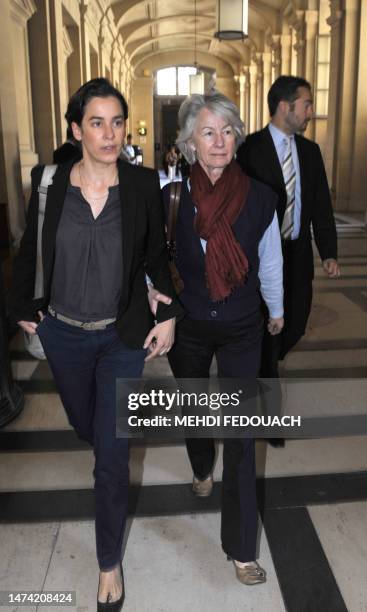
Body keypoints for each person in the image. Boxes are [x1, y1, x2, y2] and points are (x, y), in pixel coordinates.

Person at [10, 78, 182, 611]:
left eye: (117, 122)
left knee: (111, 456)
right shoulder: (47, 182)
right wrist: (22, 307)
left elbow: (157, 256)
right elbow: (27, 252)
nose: (110, 134)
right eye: (97, 122)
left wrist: (169, 310)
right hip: (62, 334)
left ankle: (108, 563)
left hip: (121, 337)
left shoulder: (141, 184)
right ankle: (100, 434)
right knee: (87, 426)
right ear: (76, 129)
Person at [161, 92, 284, 585]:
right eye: (208, 132)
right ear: (190, 141)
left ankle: (240, 548)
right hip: (187, 321)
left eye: (228, 130)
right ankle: (198, 462)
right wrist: (157, 302)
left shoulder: (259, 196)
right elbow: (154, 258)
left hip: (240, 324)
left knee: (240, 433)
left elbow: (270, 259)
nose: (219, 141)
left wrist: (275, 308)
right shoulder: (171, 194)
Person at [236, 76, 340, 446]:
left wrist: (328, 250)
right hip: (261, 258)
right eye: (306, 104)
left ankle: (266, 365)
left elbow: (321, 206)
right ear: (285, 106)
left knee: (294, 324)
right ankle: (267, 416)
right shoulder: (250, 149)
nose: (311, 111)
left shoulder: (309, 152)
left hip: (296, 254)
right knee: (267, 334)